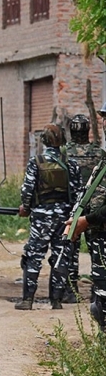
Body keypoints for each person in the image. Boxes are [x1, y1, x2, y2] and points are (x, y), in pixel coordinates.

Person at [16, 124, 82, 310]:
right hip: (64, 218)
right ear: (62, 140)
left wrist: (26, 208)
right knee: (61, 257)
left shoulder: (36, 162)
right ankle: (56, 301)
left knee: (34, 256)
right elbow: (78, 194)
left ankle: (27, 300)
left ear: (43, 140)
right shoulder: (71, 164)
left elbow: (27, 190)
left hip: (41, 218)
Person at [60, 114, 105, 303]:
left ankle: (71, 290)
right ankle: (98, 289)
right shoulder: (99, 153)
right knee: (98, 250)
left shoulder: (64, 152)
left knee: (70, 248)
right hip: (96, 206)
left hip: (72, 204)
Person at [66, 160, 106, 332]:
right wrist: (76, 220)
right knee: (101, 302)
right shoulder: (102, 163)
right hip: (99, 237)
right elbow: (86, 194)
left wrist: (86, 221)